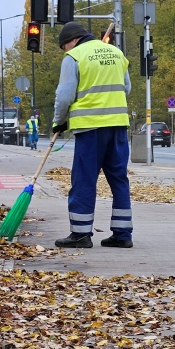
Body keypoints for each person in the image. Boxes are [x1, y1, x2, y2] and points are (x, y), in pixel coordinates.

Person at [51, 21, 133, 249]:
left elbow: (65, 95)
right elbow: (126, 88)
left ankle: (80, 234)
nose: (65, 51)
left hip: (90, 129)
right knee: (119, 179)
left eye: (64, 46)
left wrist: (59, 121)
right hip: (118, 125)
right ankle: (123, 234)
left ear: (72, 41)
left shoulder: (75, 57)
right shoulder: (117, 53)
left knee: (85, 179)